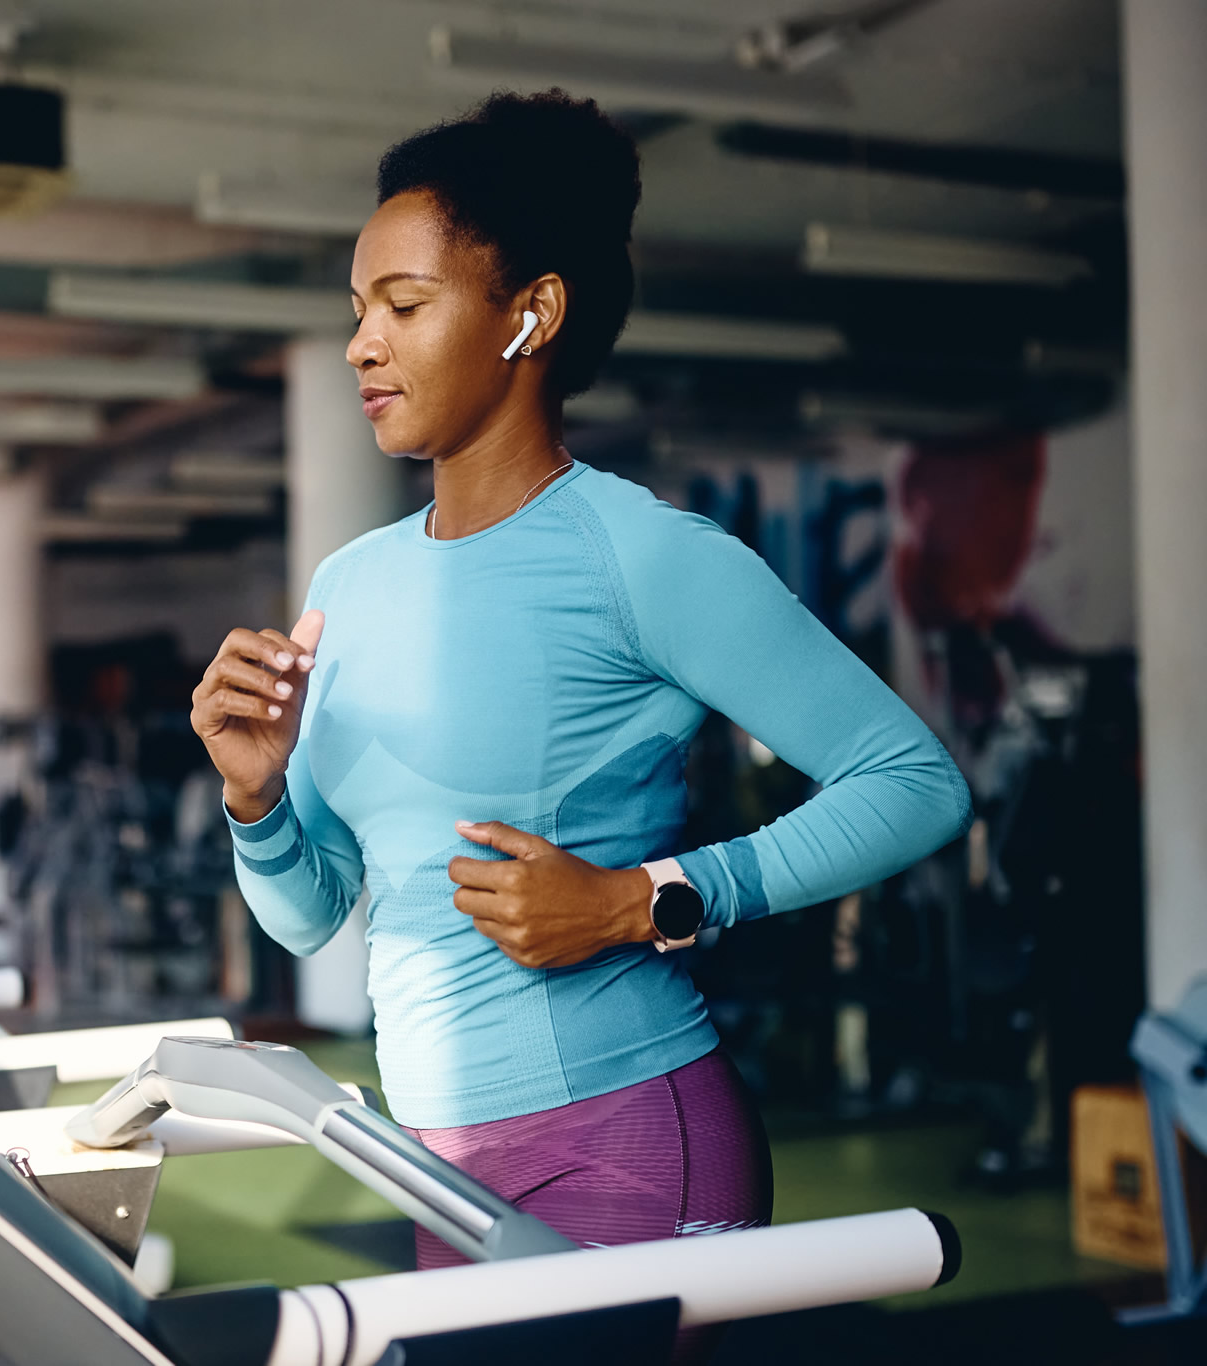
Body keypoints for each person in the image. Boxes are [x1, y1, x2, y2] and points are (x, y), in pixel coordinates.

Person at [190, 89, 971, 1351]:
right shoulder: (348, 582)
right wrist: (257, 800)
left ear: (528, 316)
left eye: (402, 304)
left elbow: (914, 781)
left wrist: (643, 899)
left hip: (624, 1140)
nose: (359, 346)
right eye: (355, 312)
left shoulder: (641, 553)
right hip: (434, 1167)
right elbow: (314, 911)